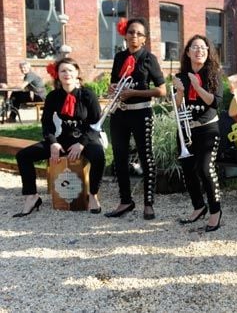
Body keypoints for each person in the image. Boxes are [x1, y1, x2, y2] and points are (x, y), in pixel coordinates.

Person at [13, 58, 105, 217]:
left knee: (98, 156)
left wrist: (82, 144)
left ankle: (93, 195)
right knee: (23, 156)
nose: (67, 73)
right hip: (63, 140)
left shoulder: (88, 95)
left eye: (70, 70)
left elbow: (96, 124)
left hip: (86, 139)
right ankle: (32, 197)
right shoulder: (53, 96)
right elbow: (46, 124)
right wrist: (53, 143)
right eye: (63, 70)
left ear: (77, 73)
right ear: (58, 75)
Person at [104, 17, 166, 220]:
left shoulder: (149, 58)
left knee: (146, 157)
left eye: (139, 33)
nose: (134, 36)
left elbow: (162, 90)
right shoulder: (119, 57)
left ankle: (149, 203)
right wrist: (112, 88)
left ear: (144, 39)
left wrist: (135, 93)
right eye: (131, 32)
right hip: (120, 113)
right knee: (119, 158)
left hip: (141, 113)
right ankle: (125, 201)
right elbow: (114, 83)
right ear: (126, 35)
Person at [173, 35, 224, 232]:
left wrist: (196, 87)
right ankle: (198, 206)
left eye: (203, 47)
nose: (199, 51)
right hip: (186, 129)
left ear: (208, 52)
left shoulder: (214, 74)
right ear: (188, 52)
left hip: (208, 129)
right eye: (195, 47)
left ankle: (215, 211)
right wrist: (179, 92)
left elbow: (216, 102)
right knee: (188, 170)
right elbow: (177, 107)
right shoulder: (181, 76)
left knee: (205, 169)